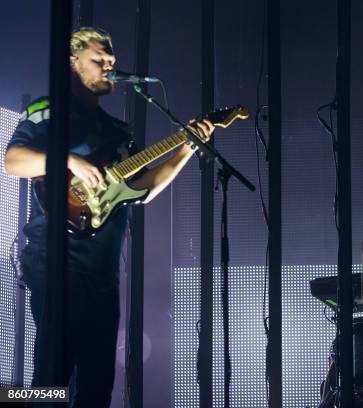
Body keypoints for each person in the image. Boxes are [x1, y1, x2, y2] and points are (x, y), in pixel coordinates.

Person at [3, 27, 213, 407]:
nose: (108, 66)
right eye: (99, 59)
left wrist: (184, 151)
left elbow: (144, 191)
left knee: (98, 388)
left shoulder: (119, 133)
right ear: (73, 62)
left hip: (103, 277)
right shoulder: (47, 112)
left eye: (112, 61)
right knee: (49, 381)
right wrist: (68, 159)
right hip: (56, 266)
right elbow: (12, 161)